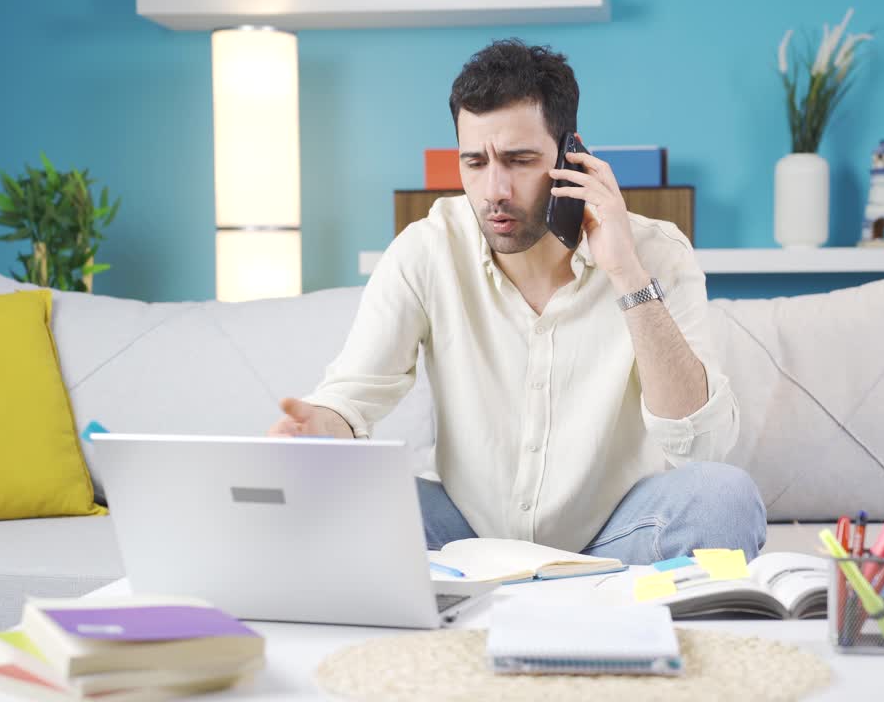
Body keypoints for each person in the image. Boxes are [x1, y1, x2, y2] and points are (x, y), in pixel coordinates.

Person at [269, 39, 765, 564]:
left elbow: (703, 447)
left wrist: (625, 273)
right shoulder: (426, 249)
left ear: (572, 155)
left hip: (615, 538)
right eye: (475, 162)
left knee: (725, 500)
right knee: (337, 500)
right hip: (463, 537)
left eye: (519, 160)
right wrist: (314, 431)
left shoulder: (655, 254)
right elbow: (352, 399)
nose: (494, 190)